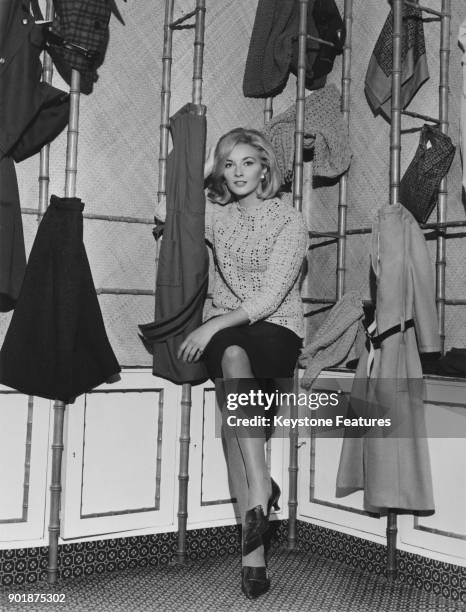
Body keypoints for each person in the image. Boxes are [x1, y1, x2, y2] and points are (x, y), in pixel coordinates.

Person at [177, 127, 308, 599]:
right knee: (232, 360)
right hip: (230, 335)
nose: (237, 173)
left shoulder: (290, 221)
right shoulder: (218, 216)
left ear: (265, 168)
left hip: (277, 329)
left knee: (235, 416)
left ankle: (257, 496)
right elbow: (167, 211)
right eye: (228, 164)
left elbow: (271, 297)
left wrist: (208, 327)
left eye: (247, 163)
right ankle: (257, 532)